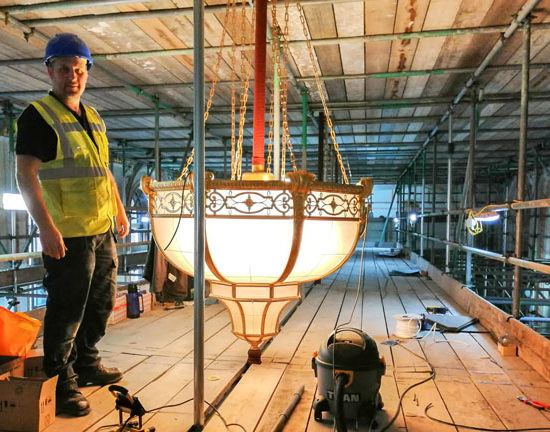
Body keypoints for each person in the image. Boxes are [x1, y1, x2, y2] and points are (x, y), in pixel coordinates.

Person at [15, 33, 130, 417]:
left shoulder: (93, 116)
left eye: (79, 69)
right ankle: (61, 381)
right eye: (64, 69)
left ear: (87, 72)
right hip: (67, 234)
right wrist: (46, 228)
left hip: (101, 229)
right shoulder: (37, 116)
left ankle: (87, 363)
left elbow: (103, 171)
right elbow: (25, 175)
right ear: (50, 70)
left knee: (99, 303)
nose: (73, 76)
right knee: (67, 309)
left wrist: (119, 210)